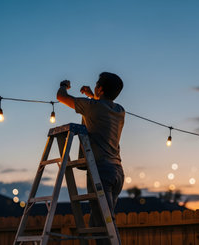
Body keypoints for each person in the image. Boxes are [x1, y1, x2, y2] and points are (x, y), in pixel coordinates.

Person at [56, 72, 125, 244]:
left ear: (100, 89)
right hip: (117, 171)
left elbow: (61, 97)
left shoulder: (92, 106)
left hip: (100, 171)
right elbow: (102, 105)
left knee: (103, 224)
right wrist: (92, 95)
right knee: (99, 221)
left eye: (96, 84)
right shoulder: (120, 110)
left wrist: (64, 85)